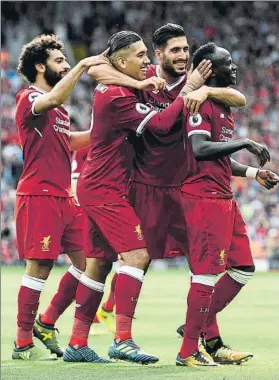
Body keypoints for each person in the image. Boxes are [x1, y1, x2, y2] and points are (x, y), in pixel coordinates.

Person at [63, 30, 211, 365]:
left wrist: (147, 83)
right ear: (121, 61)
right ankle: (122, 340)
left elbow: (98, 67)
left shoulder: (129, 81)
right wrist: (186, 90)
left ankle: (77, 342)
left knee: (99, 263)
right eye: (140, 56)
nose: (147, 62)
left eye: (147, 54)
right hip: (106, 187)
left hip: (104, 185)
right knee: (137, 255)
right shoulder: (116, 96)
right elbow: (159, 125)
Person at [13, 33, 162, 361]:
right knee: (39, 266)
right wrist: (80, 66)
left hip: (66, 197)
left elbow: (71, 142)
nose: (65, 65)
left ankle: (50, 322)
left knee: (89, 263)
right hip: (38, 194)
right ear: (40, 66)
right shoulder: (30, 98)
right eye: (58, 61)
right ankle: (23, 340)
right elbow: (51, 100)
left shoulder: (61, 113)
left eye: (67, 61)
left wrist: (105, 129)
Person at [176, 42, 278, 367]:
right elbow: (200, 149)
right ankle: (190, 349)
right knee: (206, 274)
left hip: (224, 197)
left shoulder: (222, 104)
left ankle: (198, 329)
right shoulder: (198, 103)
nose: (234, 67)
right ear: (208, 68)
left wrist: (253, 172)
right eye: (228, 62)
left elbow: (220, 159)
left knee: (245, 267)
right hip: (202, 197)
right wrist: (246, 142)